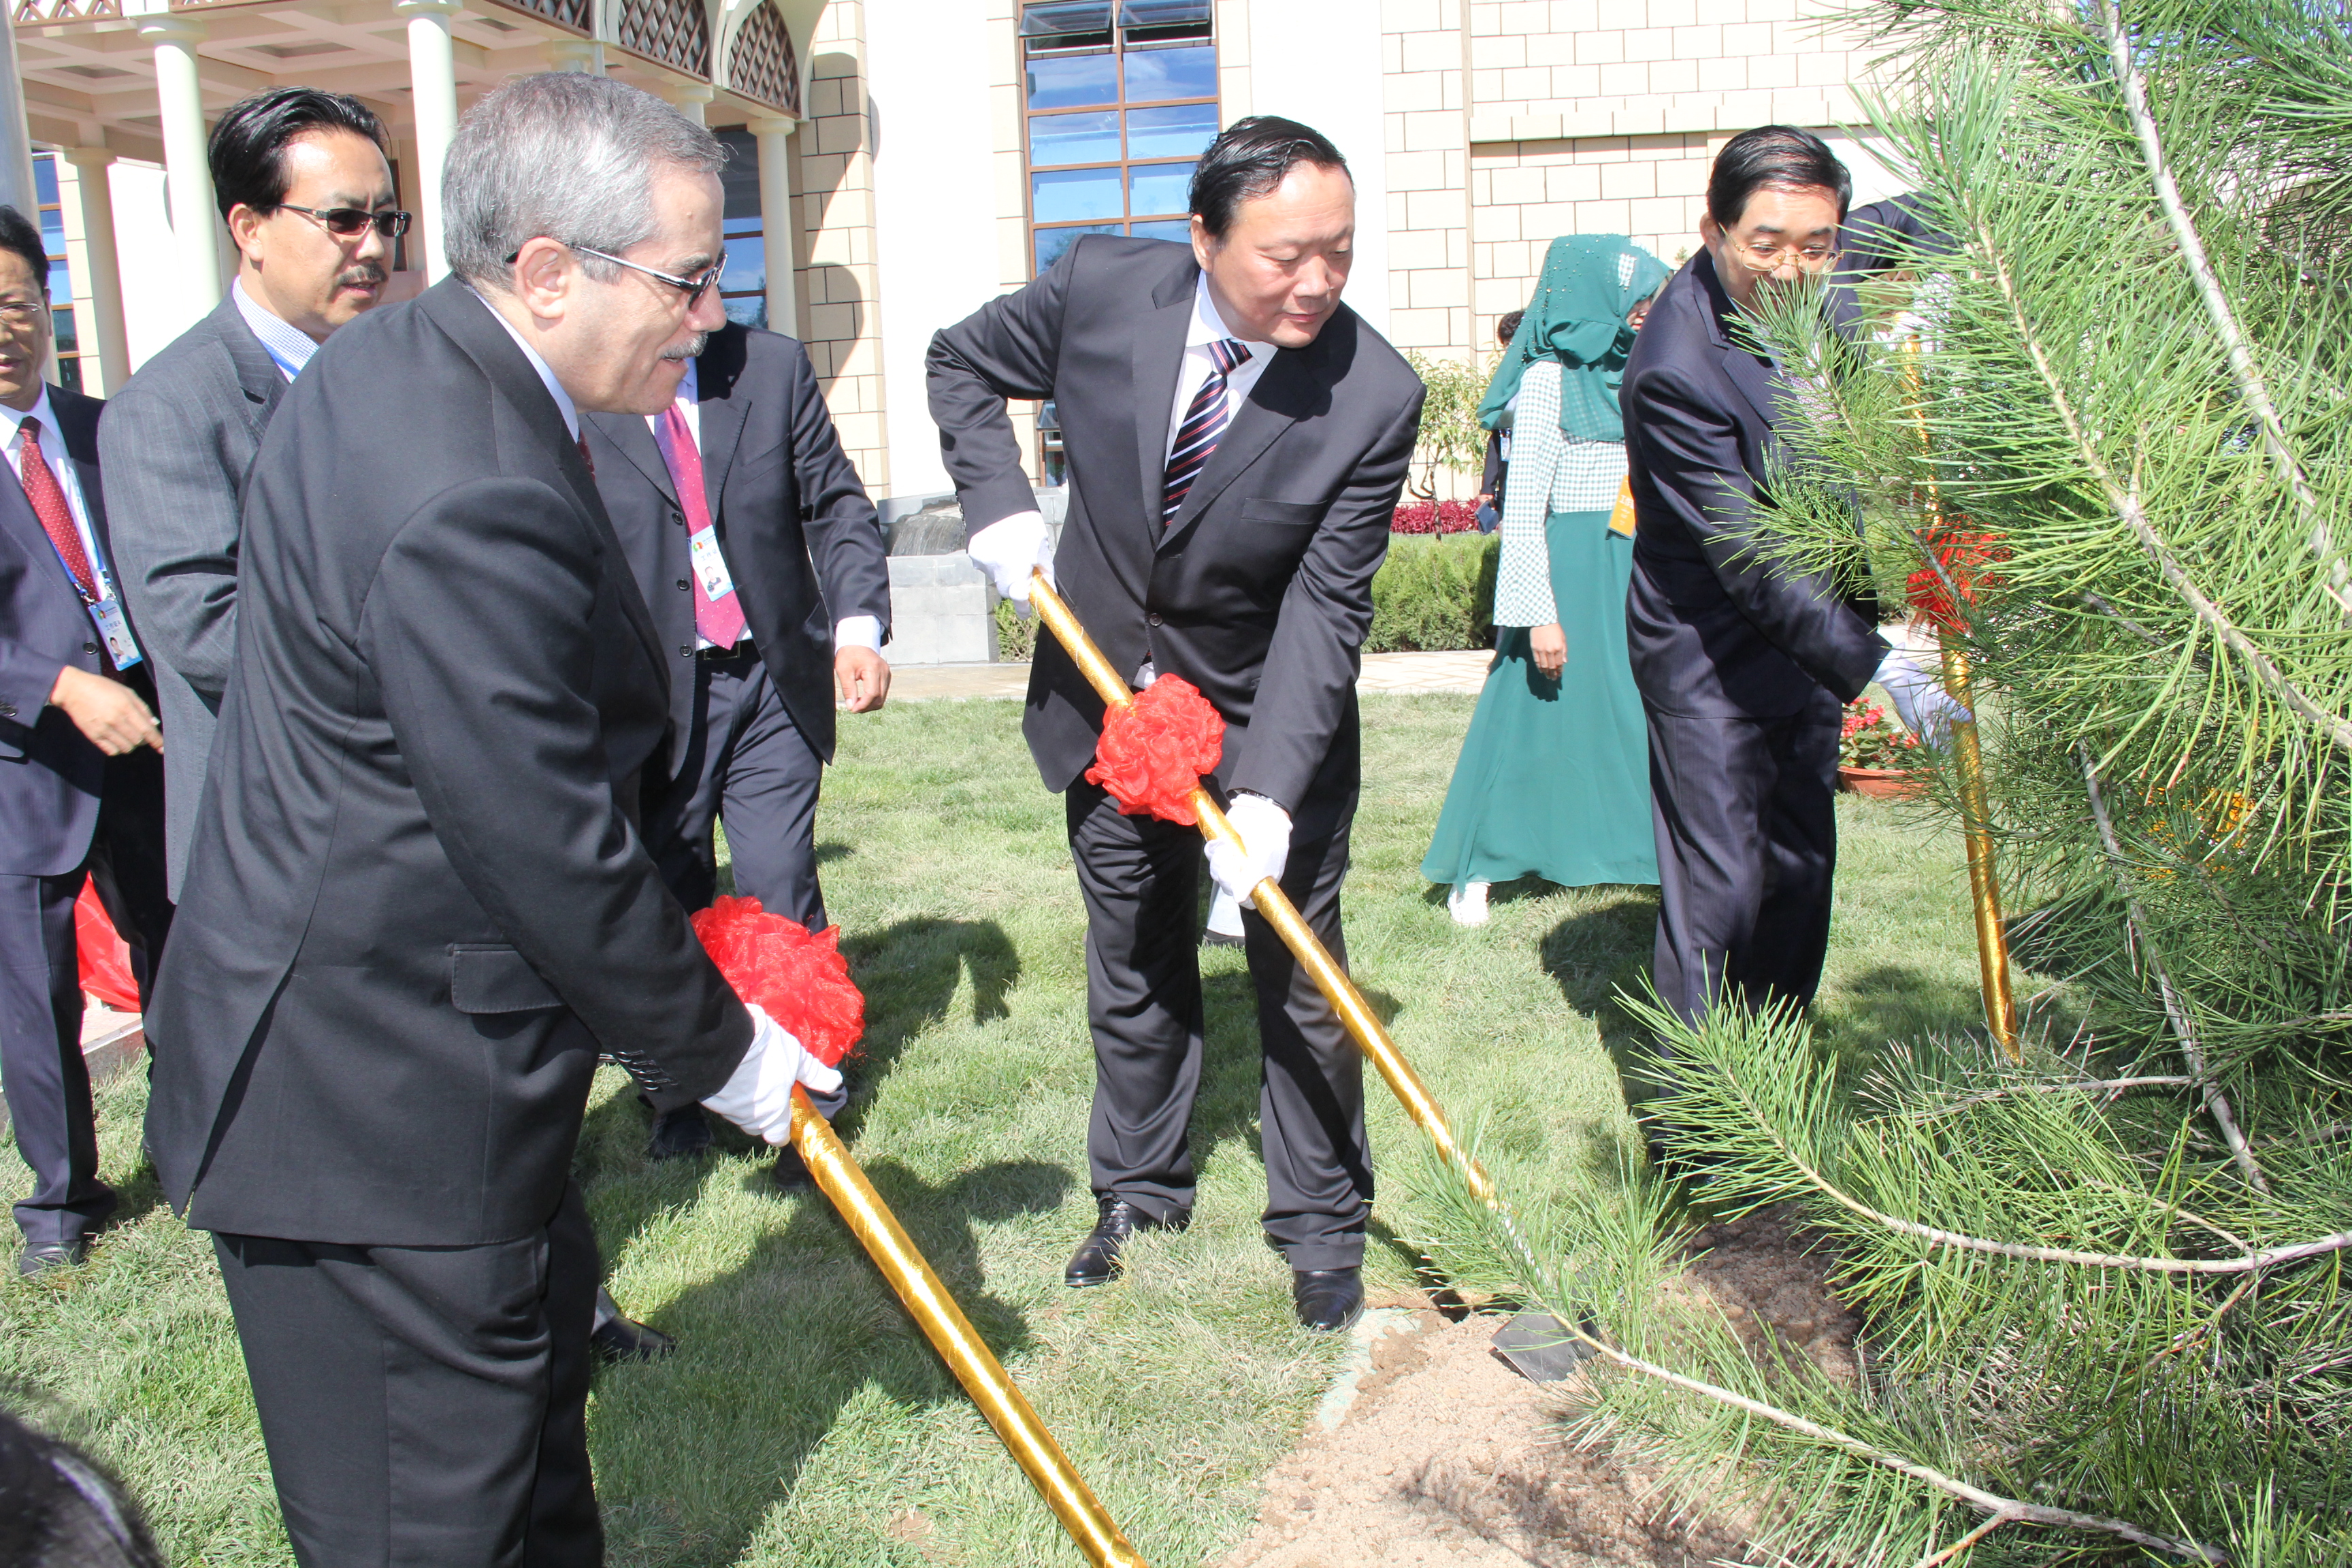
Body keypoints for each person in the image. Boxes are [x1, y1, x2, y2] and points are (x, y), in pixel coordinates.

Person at [142, 74, 842, 1564]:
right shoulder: (463, 475)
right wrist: (724, 1051)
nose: (710, 316)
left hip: (439, 1088)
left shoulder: (413, 361)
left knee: (529, 1500)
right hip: (372, 1111)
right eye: (685, 279)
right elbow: (537, 828)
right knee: (435, 1531)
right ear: (546, 271)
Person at [103, 84, 671, 1362]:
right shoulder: (171, 409)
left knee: (505, 1122)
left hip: (468, 867)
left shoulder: (436, 376)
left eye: (390, 219)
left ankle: (563, 1310)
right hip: (314, 881)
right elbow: (207, 632)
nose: (374, 245)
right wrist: (455, 670)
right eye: (343, 218)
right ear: (250, 226)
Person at [930, 116, 1425, 1334]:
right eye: (1284, 255)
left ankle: (1321, 1222)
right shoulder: (1102, 288)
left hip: (1265, 716)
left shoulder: (1372, 394)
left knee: (1300, 978)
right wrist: (996, 505)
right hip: (1105, 697)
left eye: (1340, 250)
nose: (1317, 281)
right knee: (1136, 953)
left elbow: (1325, 608)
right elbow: (959, 361)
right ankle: (1140, 1189)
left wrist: (1271, 794)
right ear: (1203, 237)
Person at [1620, 125, 1958, 1037]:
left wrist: (1995, 209)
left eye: (1817, 245)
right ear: (1714, 230)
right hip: (1708, 651)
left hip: (1811, 634)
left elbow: (1912, 220)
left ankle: (1776, 1060)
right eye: (1764, 245)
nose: (1791, 270)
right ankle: (1702, 1101)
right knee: (1722, 884)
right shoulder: (1675, 369)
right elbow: (1751, 554)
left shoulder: (1823, 265)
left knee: (1800, 867)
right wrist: (1882, 667)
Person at [583, 316, 892, 1160]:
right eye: (690, 280)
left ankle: (807, 1097)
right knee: (669, 889)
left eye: (717, 273)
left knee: (779, 884)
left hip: (770, 679)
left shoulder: (770, 368)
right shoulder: (585, 376)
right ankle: (679, 1093)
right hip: (651, 694)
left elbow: (836, 505)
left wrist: (858, 628)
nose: (709, 308)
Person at [0, 205, 171, 1277]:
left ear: (46, 301)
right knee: (37, 992)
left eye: (17, 302)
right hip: (27, 765)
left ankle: (193, 1145)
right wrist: (60, 687)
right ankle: (61, 1201)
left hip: (147, 740)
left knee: (178, 949)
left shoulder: (107, 430)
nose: (4, 328)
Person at [1424, 236, 1669, 925]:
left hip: (1641, 569)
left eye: (1651, 297)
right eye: (1635, 297)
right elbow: (1525, 508)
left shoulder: (1646, 370)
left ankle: (1648, 858)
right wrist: (1539, 613)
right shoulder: (1546, 382)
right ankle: (1477, 869)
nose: (1647, 309)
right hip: (1571, 574)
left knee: (1637, 717)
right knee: (1529, 720)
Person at [1473, 307, 1522, 534]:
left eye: (1515, 345)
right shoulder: (1504, 386)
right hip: (1508, 481)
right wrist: (1488, 487)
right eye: (1507, 346)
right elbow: (1497, 436)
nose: (1510, 352)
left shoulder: (1546, 376)